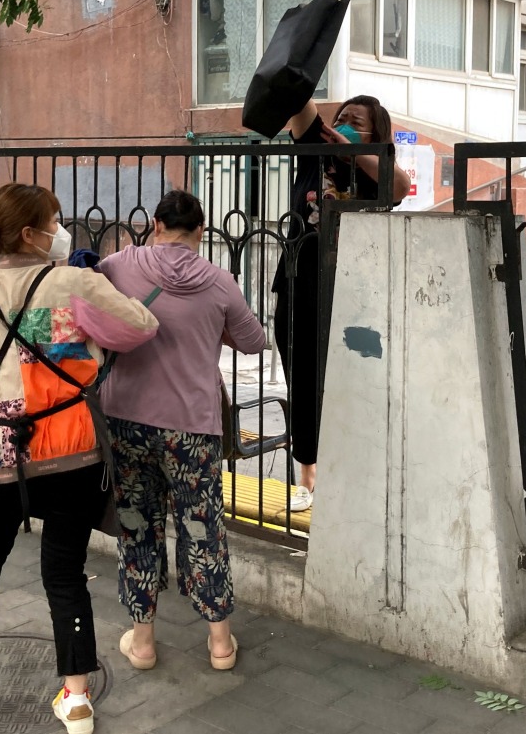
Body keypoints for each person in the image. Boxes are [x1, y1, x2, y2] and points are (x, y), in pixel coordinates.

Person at [0, 183, 159, 734]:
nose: (64, 230)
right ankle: (77, 699)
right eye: (57, 221)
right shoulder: (73, 282)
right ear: (33, 233)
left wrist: (1, 403)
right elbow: (141, 327)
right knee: (64, 572)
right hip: (68, 448)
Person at [98, 190, 266, 672]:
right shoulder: (219, 282)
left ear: (155, 224)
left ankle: (144, 643)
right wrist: (215, 329)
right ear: (200, 230)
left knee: (137, 526)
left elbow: (91, 307)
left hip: (126, 419)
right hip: (192, 428)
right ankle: (218, 644)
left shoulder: (119, 265)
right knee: (202, 527)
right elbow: (254, 341)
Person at [272, 96, 410, 512]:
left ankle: (355, 473)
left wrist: (355, 152)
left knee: (355, 382)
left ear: (375, 135)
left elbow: (400, 186)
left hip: (357, 293)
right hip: (299, 283)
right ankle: (307, 475)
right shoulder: (314, 153)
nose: (345, 123)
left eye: (357, 122)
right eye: (342, 117)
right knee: (303, 380)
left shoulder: (375, 169)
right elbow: (298, 103)